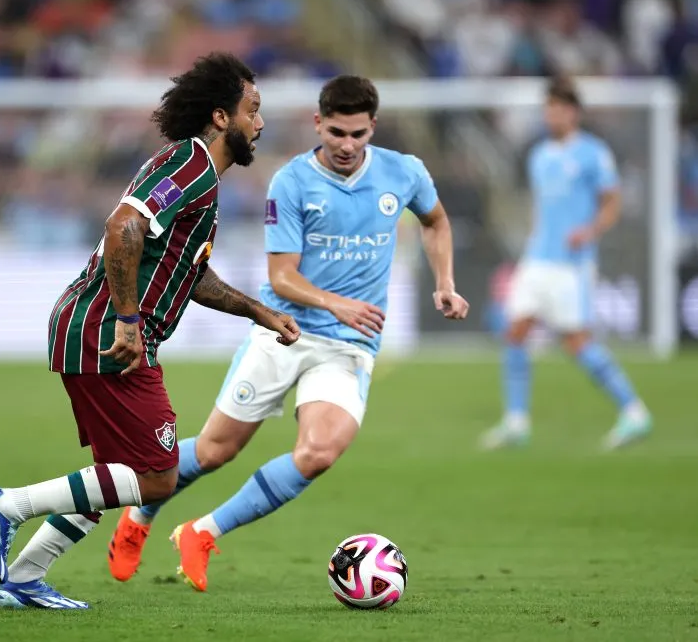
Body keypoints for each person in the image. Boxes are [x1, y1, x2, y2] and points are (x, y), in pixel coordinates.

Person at [107, 75, 470, 592]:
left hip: (348, 343)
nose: (347, 145)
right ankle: (139, 517)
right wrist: (336, 303)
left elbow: (435, 222)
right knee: (214, 451)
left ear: (373, 128)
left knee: (320, 451)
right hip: (284, 330)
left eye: (359, 134)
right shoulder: (292, 182)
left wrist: (445, 283)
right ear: (318, 124)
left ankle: (204, 532)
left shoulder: (404, 173)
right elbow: (281, 276)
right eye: (337, 132)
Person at [0, 52, 300, 610]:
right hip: (108, 329)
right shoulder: (190, 165)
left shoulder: (200, 181)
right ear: (221, 117)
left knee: (114, 475)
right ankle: (4, 506)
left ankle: (23, 578)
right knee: (156, 480)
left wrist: (256, 311)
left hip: (96, 324)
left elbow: (188, 275)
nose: (260, 123)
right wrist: (126, 320)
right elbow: (123, 224)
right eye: (253, 110)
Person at [481, 76, 651, 451]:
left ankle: (634, 411)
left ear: (573, 113)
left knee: (577, 343)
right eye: (548, 108)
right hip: (537, 259)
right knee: (515, 333)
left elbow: (612, 202)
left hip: (570, 265)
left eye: (558, 108)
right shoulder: (539, 156)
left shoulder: (593, 153)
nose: (552, 115)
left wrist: (591, 230)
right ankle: (516, 421)